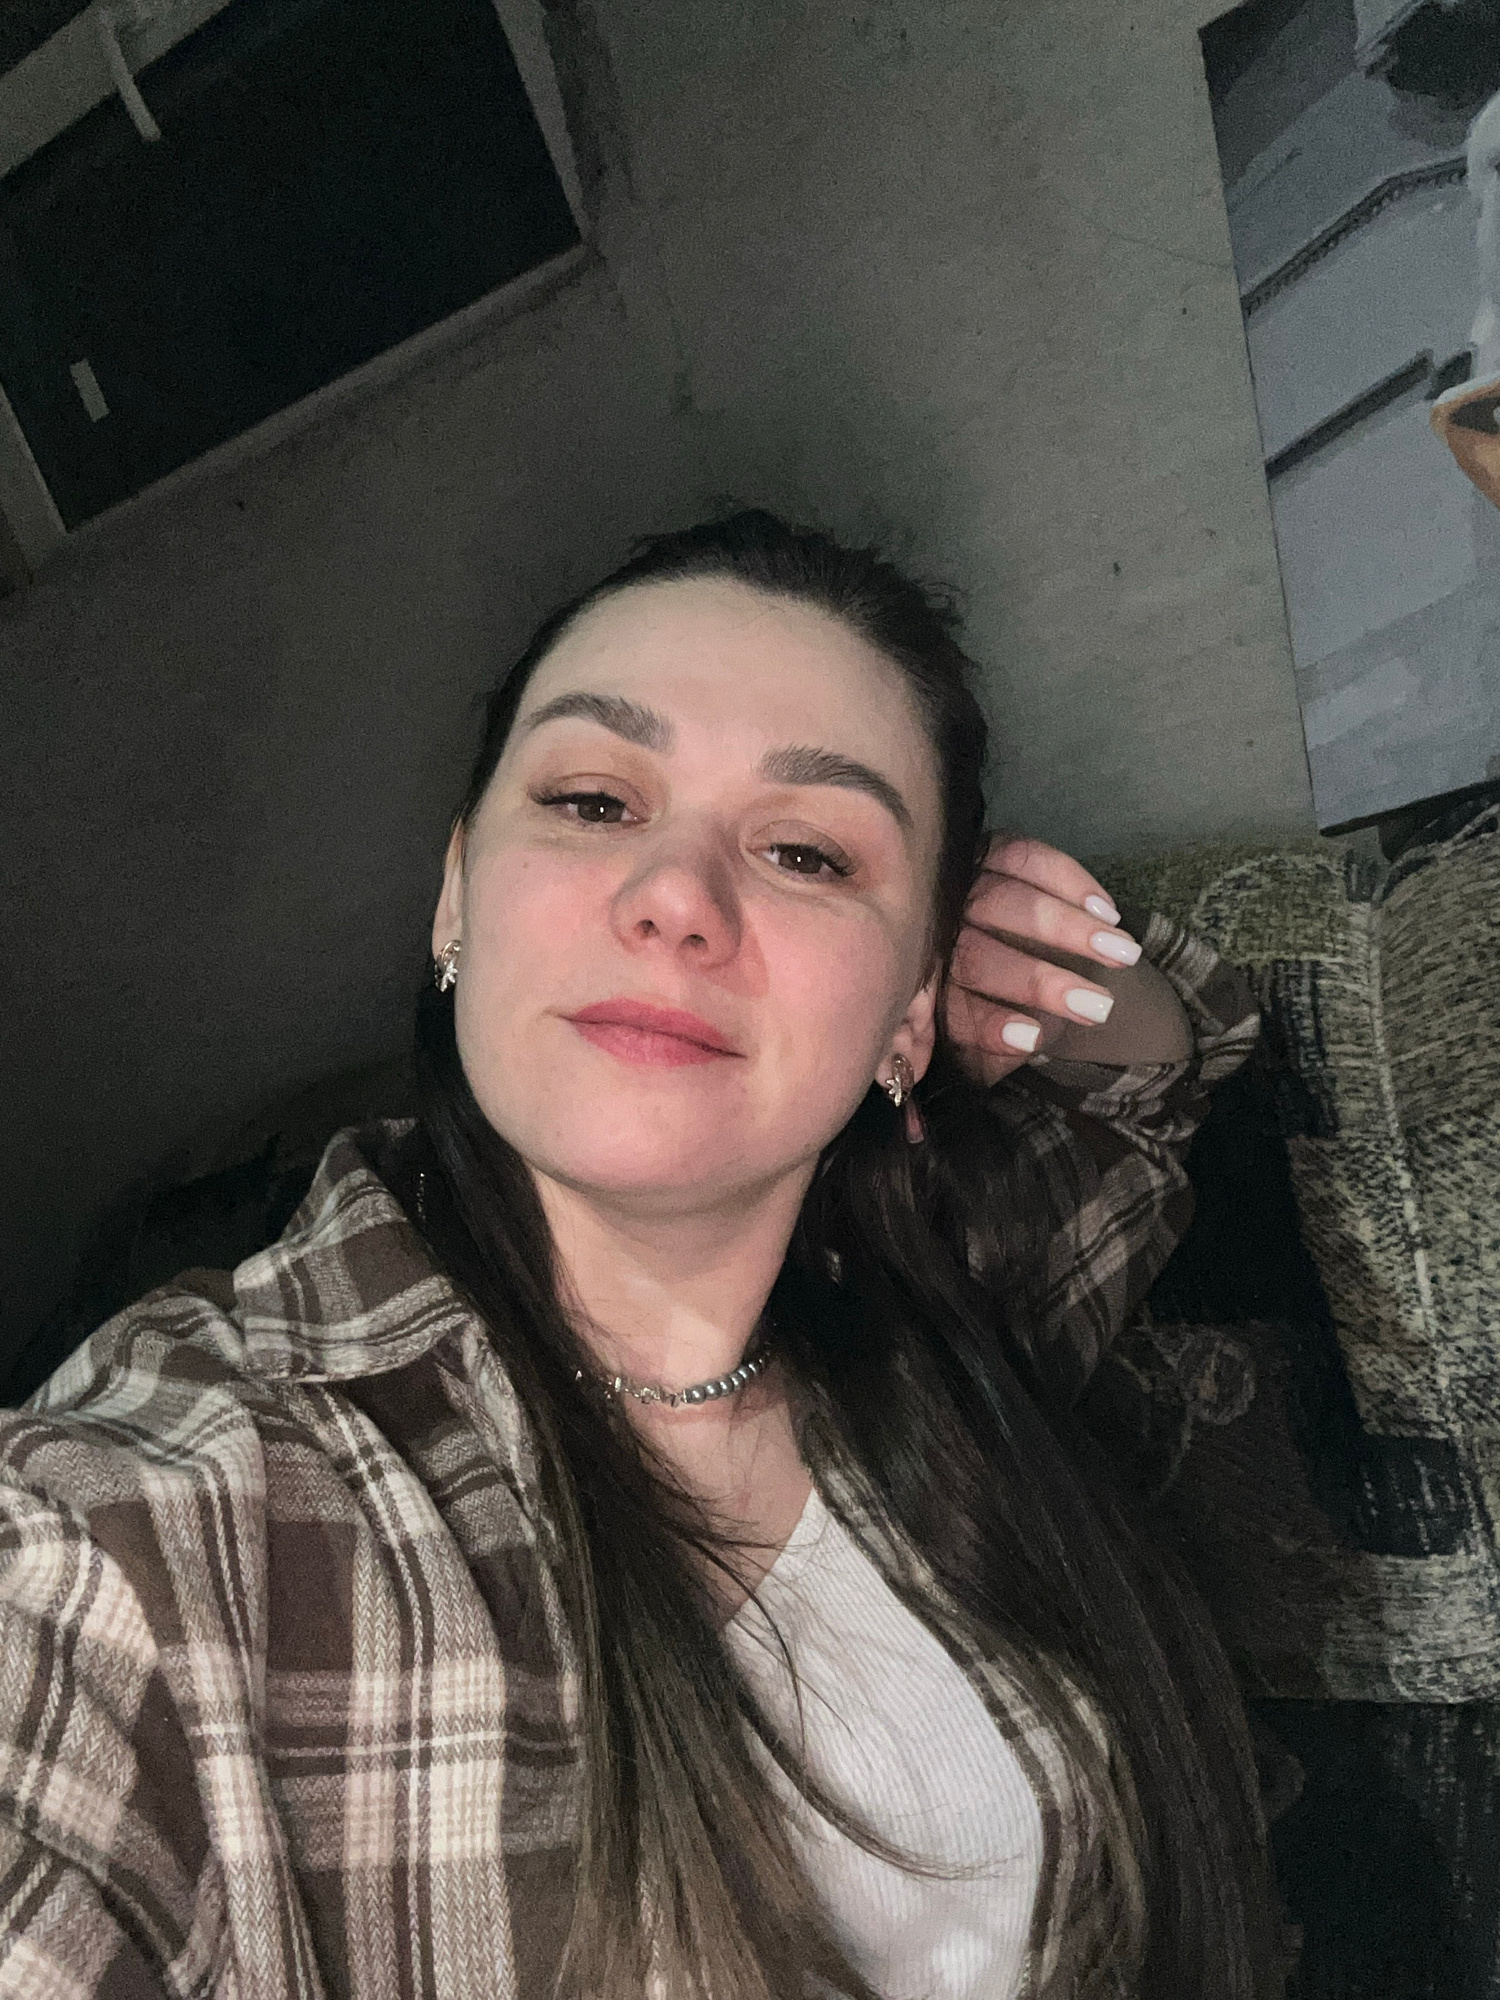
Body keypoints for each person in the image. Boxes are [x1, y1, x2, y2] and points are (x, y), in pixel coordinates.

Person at [0, 511, 1279, 2000]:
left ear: (909, 1015)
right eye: (597, 800)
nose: (676, 895)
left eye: (807, 851)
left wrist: (1056, 975)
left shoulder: (933, 1312)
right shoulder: (149, 1520)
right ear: (456, 897)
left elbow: (1155, 1089)